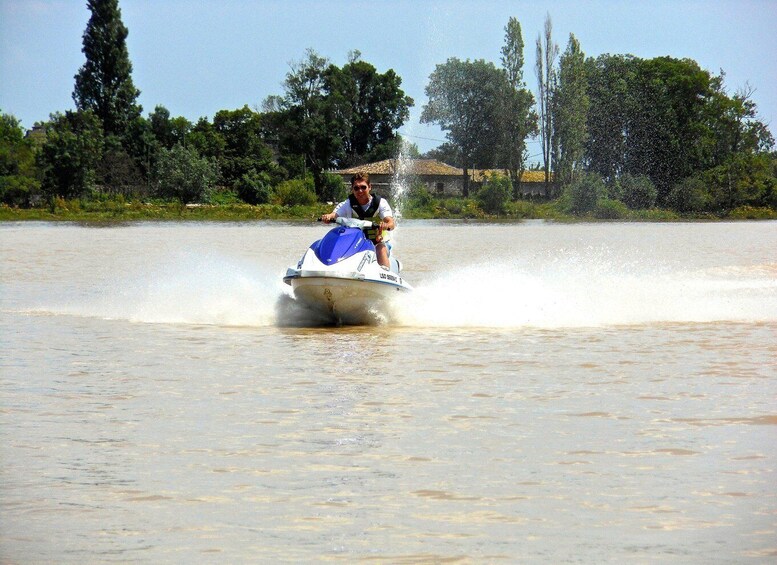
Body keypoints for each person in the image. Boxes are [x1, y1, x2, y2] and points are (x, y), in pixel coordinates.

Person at [320, 172, 395, 269]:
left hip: (377, 241)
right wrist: (328, 217)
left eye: (363, 187)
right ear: (352, 190)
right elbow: (335, 214)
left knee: (380, 248)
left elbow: (391, 222)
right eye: (356, 188)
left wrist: (386, 225)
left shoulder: (380, 203)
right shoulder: (347, 204)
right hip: (356, 243)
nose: (360, 191)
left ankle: (386, 273)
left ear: (369, 187)